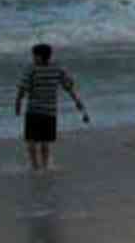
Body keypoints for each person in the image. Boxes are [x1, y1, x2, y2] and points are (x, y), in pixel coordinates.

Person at [15, 42, 89, 171]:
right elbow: (69, 86)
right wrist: (77, 102)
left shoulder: (31, 68)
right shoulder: (57, 68)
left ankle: (37, 166)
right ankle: (42, 166)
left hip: (35, 110)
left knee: (34, 140)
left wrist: (18, 103)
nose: (33, 58)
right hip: (49, 111)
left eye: (35, 56)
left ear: (40, 56)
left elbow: (23, 88)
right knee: (43, 140)